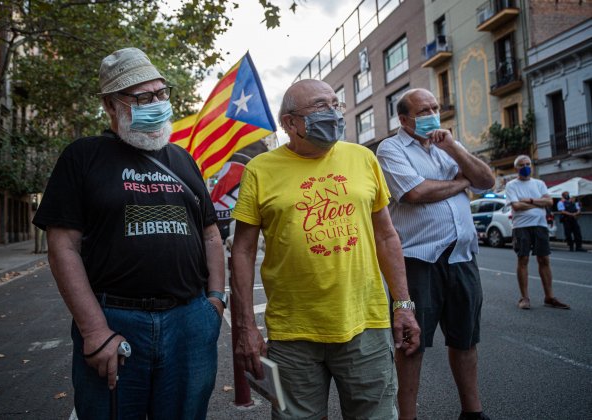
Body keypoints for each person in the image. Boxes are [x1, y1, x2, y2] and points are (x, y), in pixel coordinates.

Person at [32, 47, 225, 419]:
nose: (157, 104)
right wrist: (94, 330)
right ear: (110, 105)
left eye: (161, 94)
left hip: (189, 321)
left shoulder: (184, 160)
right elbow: (63, 248)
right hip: (115, 322)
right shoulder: (82, 157)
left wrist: (214, 303)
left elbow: (211, 235)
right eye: (143, 97)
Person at [231, 79, 420, 420]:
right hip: (292, 333)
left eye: (336, 104)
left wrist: (404, 304)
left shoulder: (364, 158)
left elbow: (387, 237)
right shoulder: (259, 170)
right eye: (320, 106)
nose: (332, 113)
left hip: (366, 324)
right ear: (289, 123)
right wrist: (245, 326)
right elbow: (242, 251)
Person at [377, 88, 494, 420]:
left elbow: (485, 181)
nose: (432, 114)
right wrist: (461, 183)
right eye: (423, 110)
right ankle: (408, 416)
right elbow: (415, 192)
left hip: (462, 257)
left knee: (465, 339)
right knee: (412, 344)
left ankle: (472, 412)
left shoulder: (449, 147)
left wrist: (454, 149)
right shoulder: (391, 149)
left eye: (435, 107)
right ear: (403, 119)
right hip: (418, 261)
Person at [505, 155, 570, 310]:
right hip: (521, 227)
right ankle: (524, 298)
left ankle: (549, 297)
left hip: (540, 226)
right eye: (522, 165)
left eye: (528, 164)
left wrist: (529, 200)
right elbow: (516, 206)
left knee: (544, 260)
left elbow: (549, 202)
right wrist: (538, 204)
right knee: (523, 259)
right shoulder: (511, 185)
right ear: (516, 168)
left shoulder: (539, 183)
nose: (526, 166)